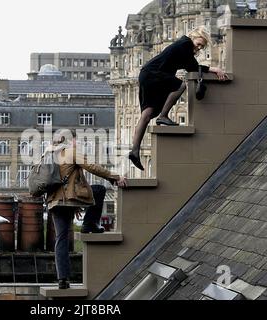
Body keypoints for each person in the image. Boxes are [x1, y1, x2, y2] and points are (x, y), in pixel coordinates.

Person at [129, 26, 228, 171]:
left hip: (147, 73)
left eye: (201, 46)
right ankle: (163, 116)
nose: (199, 47)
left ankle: (134, 151)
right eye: (198, 43)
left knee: (147, 114)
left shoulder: (183, 47)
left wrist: (207, 67)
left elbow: (190, 67)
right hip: (153, 74)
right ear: (193, 37)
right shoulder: (185, 44)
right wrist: (214, 69)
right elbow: (193, 67)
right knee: (180, 86)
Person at [46, 129, 127, 289]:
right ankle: (89, 224)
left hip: (54, 201)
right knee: (99, 190)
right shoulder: (70, 151)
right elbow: (92, 167)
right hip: (69, 198)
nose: (79, 143)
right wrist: (115, 177)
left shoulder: (49, 153)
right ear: (69, 140)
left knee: (61, 238)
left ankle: (63, 280)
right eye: (76, 140)